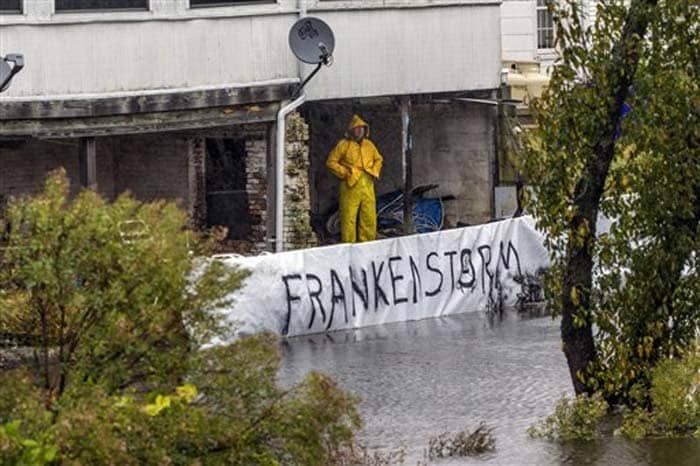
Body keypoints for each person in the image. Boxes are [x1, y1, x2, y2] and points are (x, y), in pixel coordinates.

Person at [326, 115, 383, 243]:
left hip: (367, 183)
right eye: (356, 129)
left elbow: (378, 159)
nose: (359, 131)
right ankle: (349, 245)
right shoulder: (343, 145)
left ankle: (368, 244)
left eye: (361, 128)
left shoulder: (369, 145)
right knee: (349, 217)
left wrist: (374, 171)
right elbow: (331, 162)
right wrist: (346, 173)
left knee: (369, 216)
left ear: (365, 130)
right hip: (350, 184)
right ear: (351, 130)